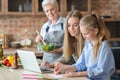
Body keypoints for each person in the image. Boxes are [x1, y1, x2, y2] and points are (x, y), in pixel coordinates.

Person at [54, 13, 116, 80]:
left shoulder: (104, 46)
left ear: (95, 31)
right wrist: (64, 68)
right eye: (82, 33)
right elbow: (81, 64)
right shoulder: (88, 44)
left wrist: (77, 74)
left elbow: (101, 71)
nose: (84, 36)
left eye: (86, 34)